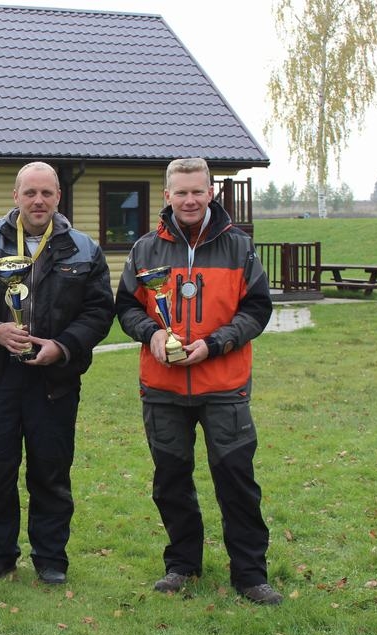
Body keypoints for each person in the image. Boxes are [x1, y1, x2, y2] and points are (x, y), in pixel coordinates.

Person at [114, 157, 282, 605]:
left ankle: (250, 575)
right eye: (181, 192)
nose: (189, 200)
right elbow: (126, 307)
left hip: (224, 385)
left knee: (236, 480)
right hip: (163, 387)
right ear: (167, 196)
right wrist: (150, 335)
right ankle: (182, 565)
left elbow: (257, 310)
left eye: (198, 191)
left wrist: (217, 343)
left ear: (211, 193)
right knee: (171, 480)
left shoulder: (238, 247)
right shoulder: (145, 248)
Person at [0, 162, 114, 585]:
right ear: (15, 195)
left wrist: (63, 346)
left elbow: (99, 311)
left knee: (51, 470)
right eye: (30, 193)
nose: (38, 201)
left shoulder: (84, 249)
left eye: (47, 193)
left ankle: (50, 557)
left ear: (59, 197)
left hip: (54, 380)